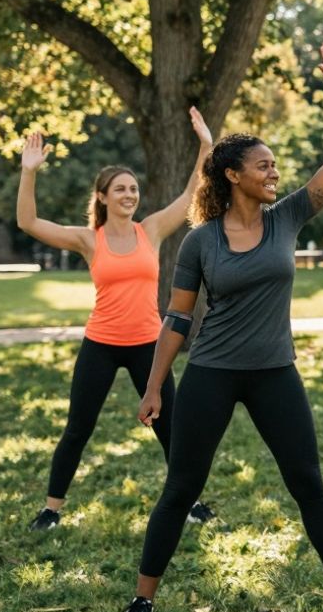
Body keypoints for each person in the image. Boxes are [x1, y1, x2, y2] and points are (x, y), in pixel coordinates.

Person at [113, 41, 323, 612]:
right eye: (263, 165)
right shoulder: (200, 241)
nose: (273, 172)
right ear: (233, 175)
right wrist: (155, 387)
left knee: (307, 480)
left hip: (274, 372)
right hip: (211, 372)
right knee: (181, 485)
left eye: (275, 165)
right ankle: (142, 600)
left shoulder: (286, 217)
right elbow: (178, 320)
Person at [17, 112, 214, 532]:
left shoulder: (152, 230)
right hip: (101, 344)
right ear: (103, 197)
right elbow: (28, 223)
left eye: (133, 189)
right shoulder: (90, 239)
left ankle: (191, 502)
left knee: (172, 429)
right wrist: (28, 173)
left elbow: (191, 192)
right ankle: (51, 509)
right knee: (77, 430)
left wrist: (205, 147)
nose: (129, 195)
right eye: (120, 189)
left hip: (150, 343)